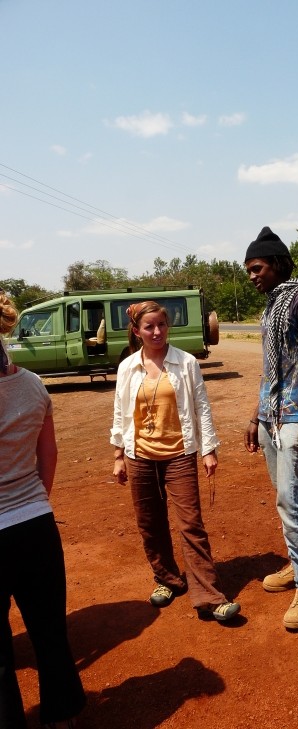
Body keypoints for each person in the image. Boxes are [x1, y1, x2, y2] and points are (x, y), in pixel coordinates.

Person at [110, 300, 240, 621]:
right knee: (149, 523)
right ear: (137, 331)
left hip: (180, 454)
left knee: (191, 524)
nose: (157, 332)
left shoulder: (186, 362)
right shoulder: (128, 367)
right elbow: (120, 411)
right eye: (149, 327)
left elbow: (201, 406)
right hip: (139, 455)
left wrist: (208, 449)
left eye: (161, 325)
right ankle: (167, 578)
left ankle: (209, 595)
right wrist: (118, 455)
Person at [0, 291, 85, 729]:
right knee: (50, 632)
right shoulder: (33, 384)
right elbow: (47, 455)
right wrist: (35, 500)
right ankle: (62, 717)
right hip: (36, 525)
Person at [244, 226, 298, 630]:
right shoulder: (271, 305)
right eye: (248, 271)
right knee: (282, 497)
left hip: (294, 417)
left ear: (277, 264)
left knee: (291, 499)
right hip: (270, 416)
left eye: (257, 268)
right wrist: (254, 415)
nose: (252, 276)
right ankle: (297, 564)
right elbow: (270, 368)